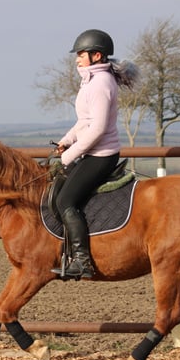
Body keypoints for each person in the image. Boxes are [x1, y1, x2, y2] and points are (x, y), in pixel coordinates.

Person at [52, 29, 138, 280]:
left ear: (96, 55)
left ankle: (82, 261)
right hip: (92, 152)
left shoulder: (100, 84)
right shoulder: (91, 80)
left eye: (81, 54)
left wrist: (69, 156)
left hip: (101, 155)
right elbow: (85, 121)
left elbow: (98, 128)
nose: (77, 59)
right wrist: (66, 141)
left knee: (66, 201)